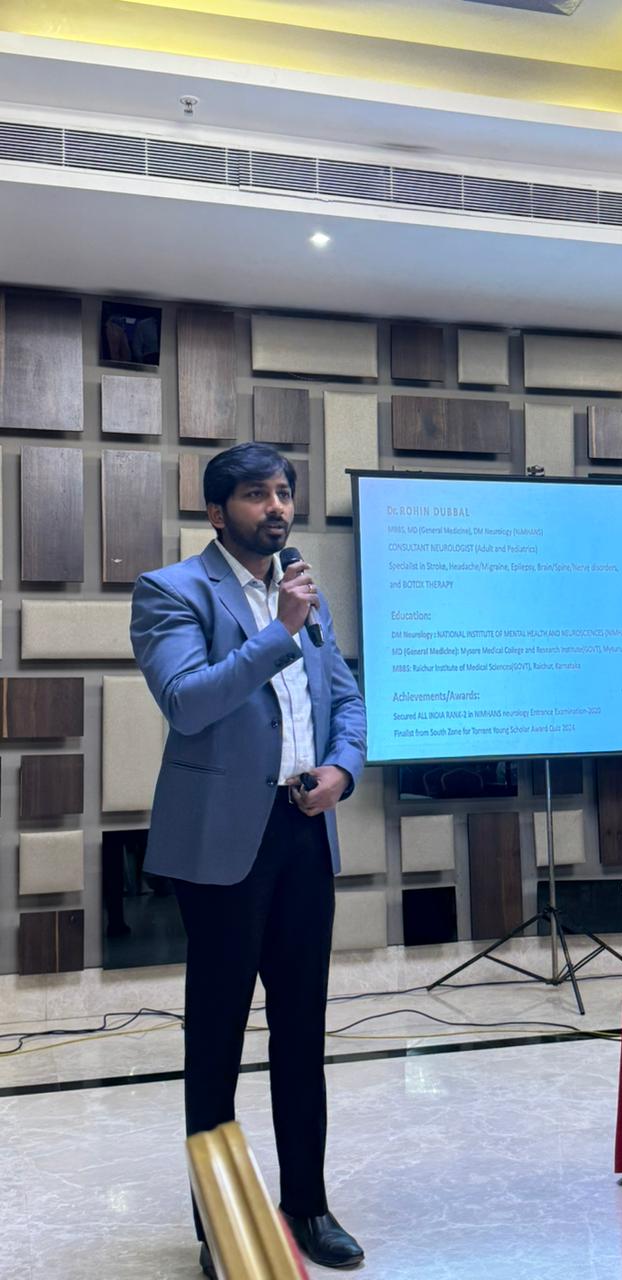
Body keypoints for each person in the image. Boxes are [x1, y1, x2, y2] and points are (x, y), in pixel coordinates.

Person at [130, 443, 367, 1276]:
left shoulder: (303, 589)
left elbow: (346, 699)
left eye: (284, 492)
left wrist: (342, 769)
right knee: (217, 1041)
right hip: (221, 843)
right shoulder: (172, 591)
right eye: (258, 494)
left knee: (302, 1031)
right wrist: (278, 633)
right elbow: (188, 702)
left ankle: (308, 1204)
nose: (278, 507)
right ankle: (223, 1227)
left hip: (303, 828)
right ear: (216, 512)